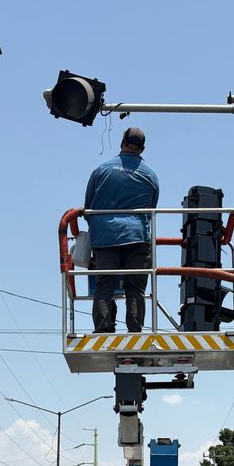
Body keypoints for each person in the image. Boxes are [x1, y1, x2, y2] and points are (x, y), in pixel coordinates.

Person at [84, 126, 159, 332]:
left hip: (106, 237)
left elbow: (88, 207)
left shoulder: (102, 170)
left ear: (121, 142)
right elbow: (152, 208)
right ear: (142, 149)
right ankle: (135, 333)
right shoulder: (151, 175)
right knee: (136, 289)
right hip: (137, 236)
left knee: (105, 286)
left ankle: (102, 331)